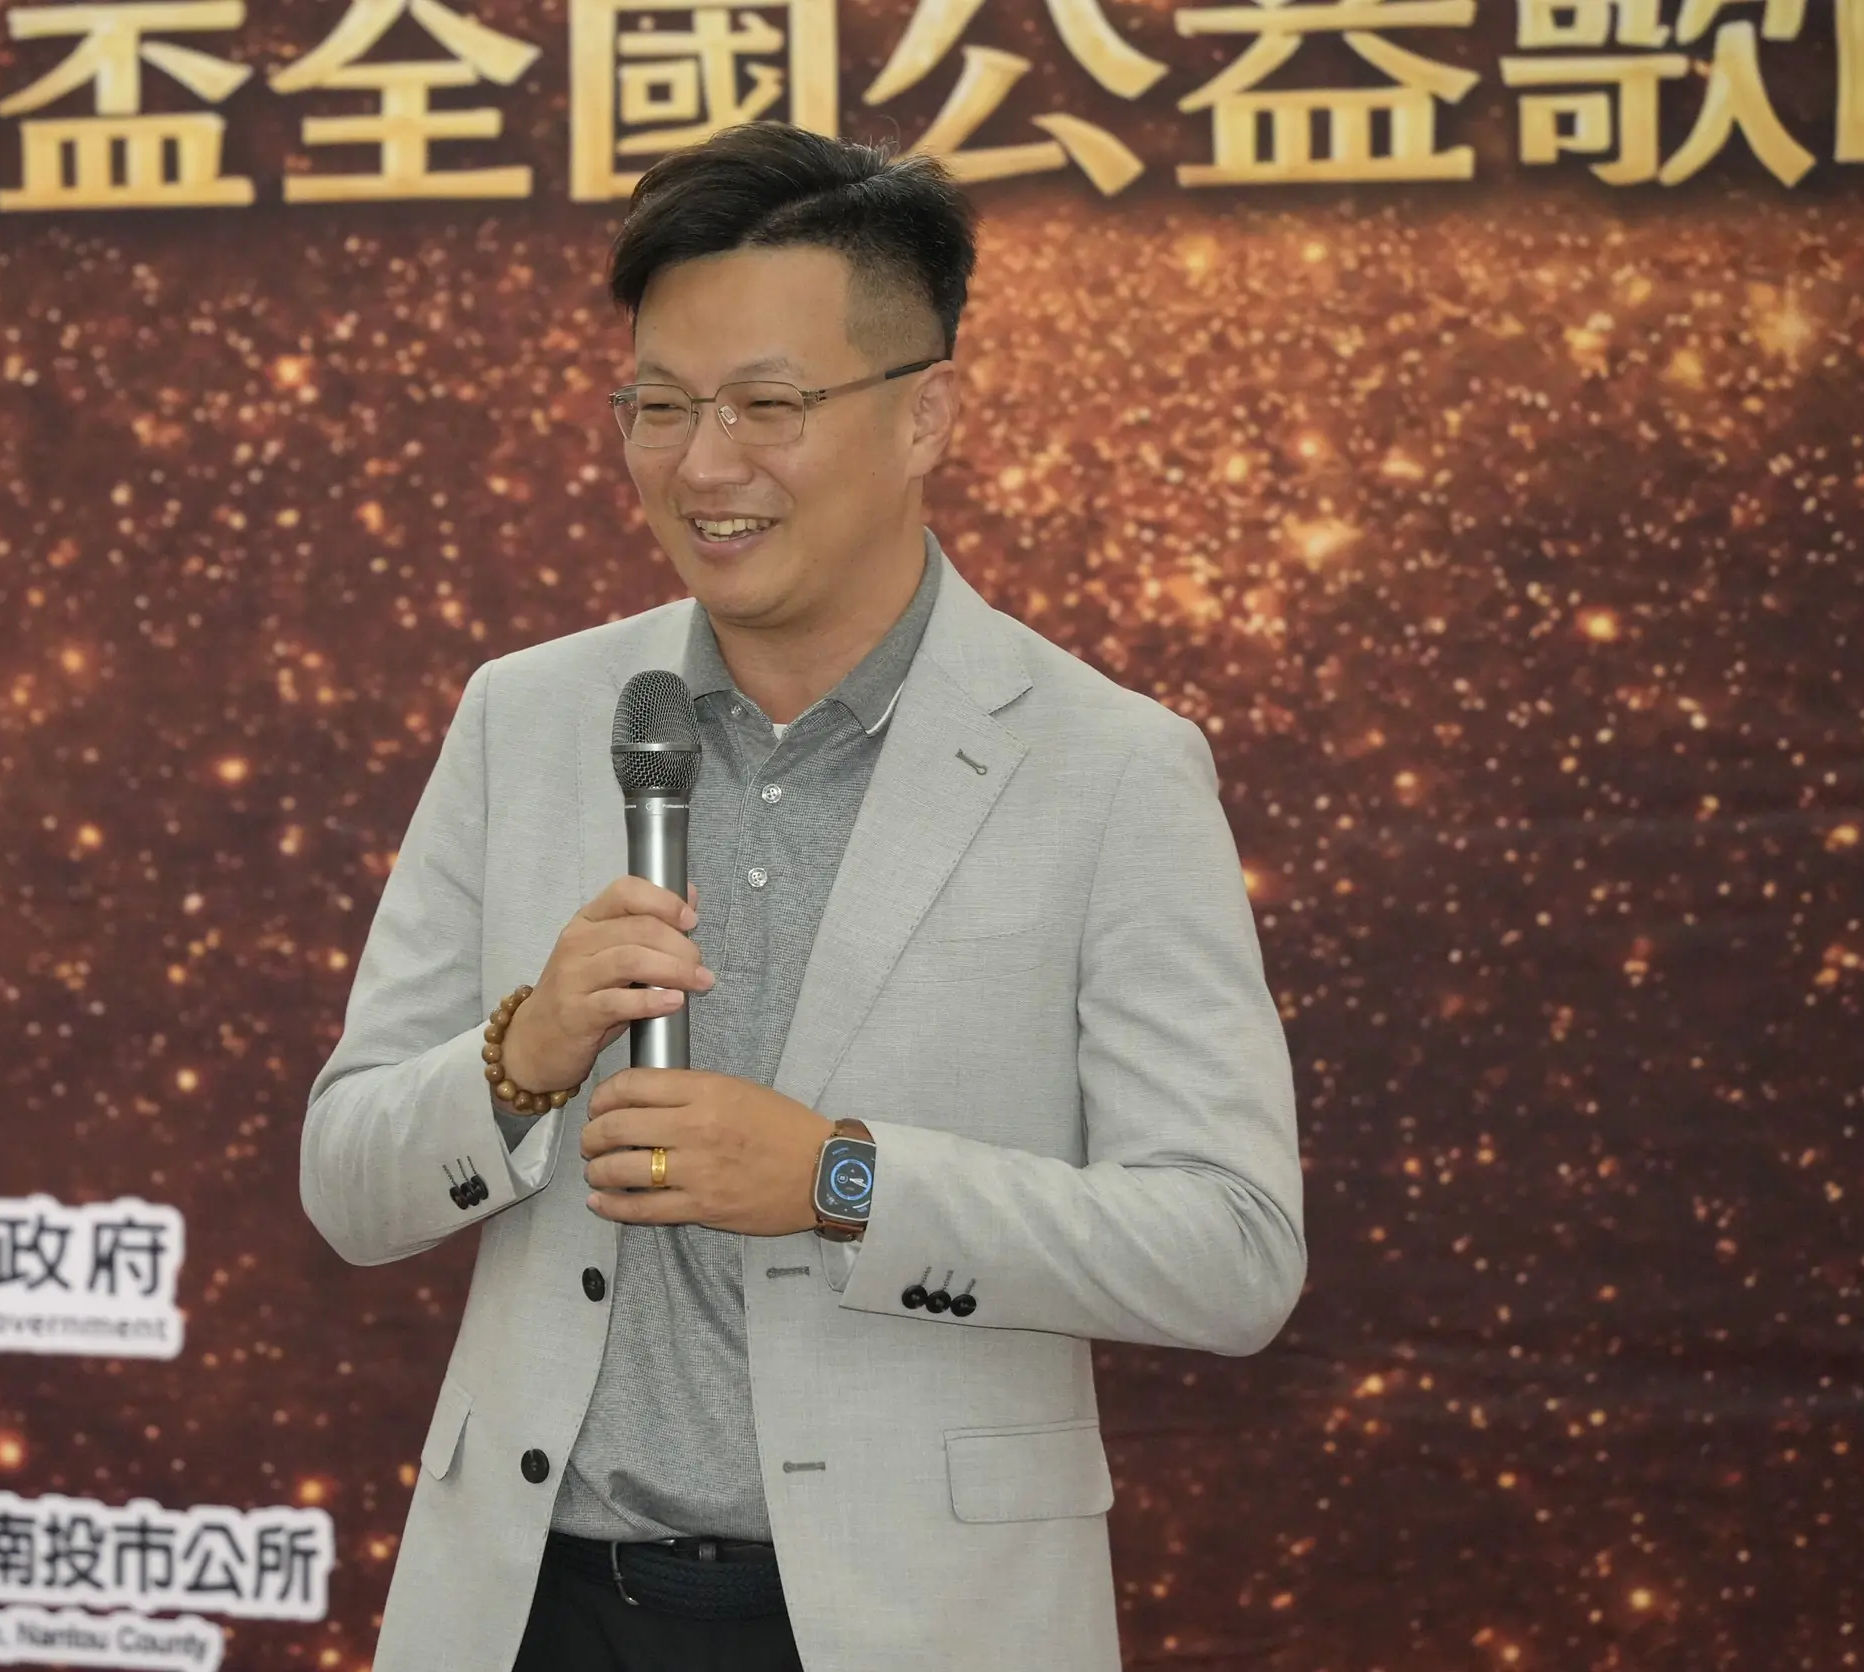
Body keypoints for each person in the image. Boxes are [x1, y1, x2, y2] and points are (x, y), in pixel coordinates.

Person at [299, 122, 1305, 1672]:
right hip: (533, 1605)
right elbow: (349, 1180)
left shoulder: (1110, 768)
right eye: (659, 405)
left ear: (926, 415)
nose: (705, 466)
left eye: (769, 406)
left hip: (910, 1621)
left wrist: (841, 1179)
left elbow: (1230, 1252)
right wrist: (521, 1055)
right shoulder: (529, 716)